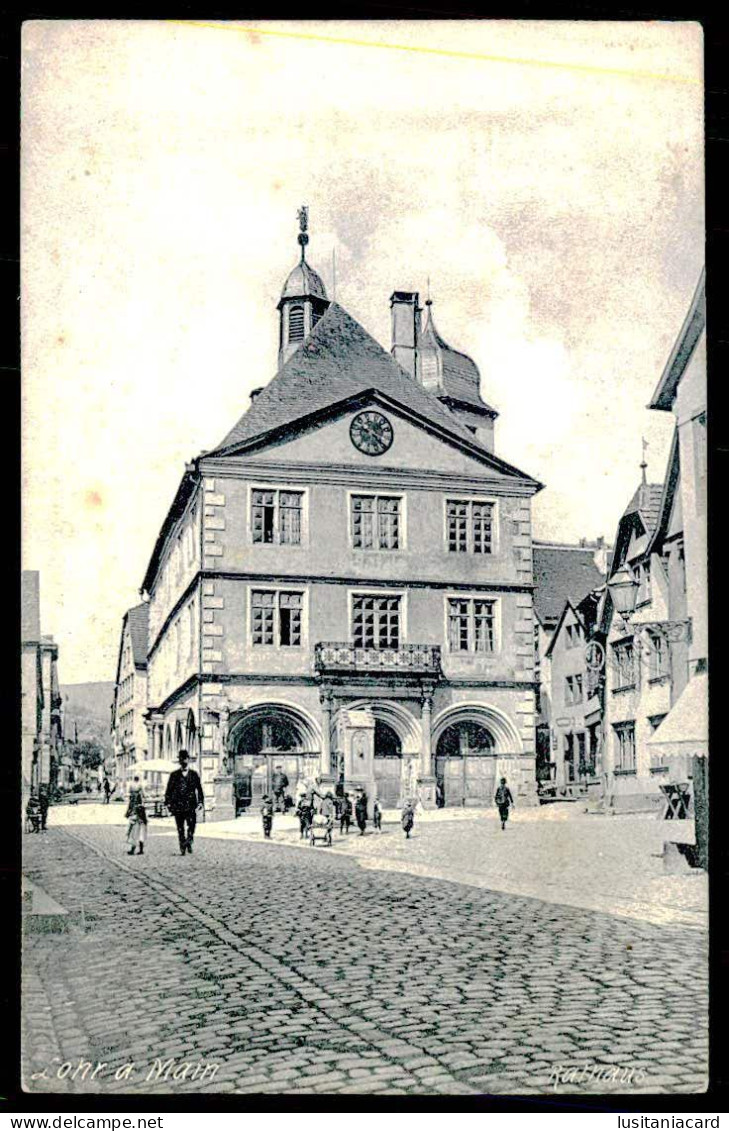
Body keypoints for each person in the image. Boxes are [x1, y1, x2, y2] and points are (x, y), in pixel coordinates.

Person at [164, 750, 204, 856]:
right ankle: (182, 845)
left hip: (191, 805)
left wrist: (200, 802)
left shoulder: (194, 775)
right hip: (178, 806)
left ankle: (189, 840)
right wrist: (168, 803)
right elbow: (169, 790)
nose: (183, 761)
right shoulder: (174, 775)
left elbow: (199, 789)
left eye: (185, 758)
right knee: (180, 828)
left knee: (192, 825)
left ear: (188, 759)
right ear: (179, 760)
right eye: (181, 759)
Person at [125, 776, 148, 855]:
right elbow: (144, 797)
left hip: (136, 816)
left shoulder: (133, 795)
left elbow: (130, 806)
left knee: (134, 833)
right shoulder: (140, 790)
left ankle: (133, 849)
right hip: (141, 816)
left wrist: (128, 813)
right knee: (141, 833)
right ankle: (140, 849)